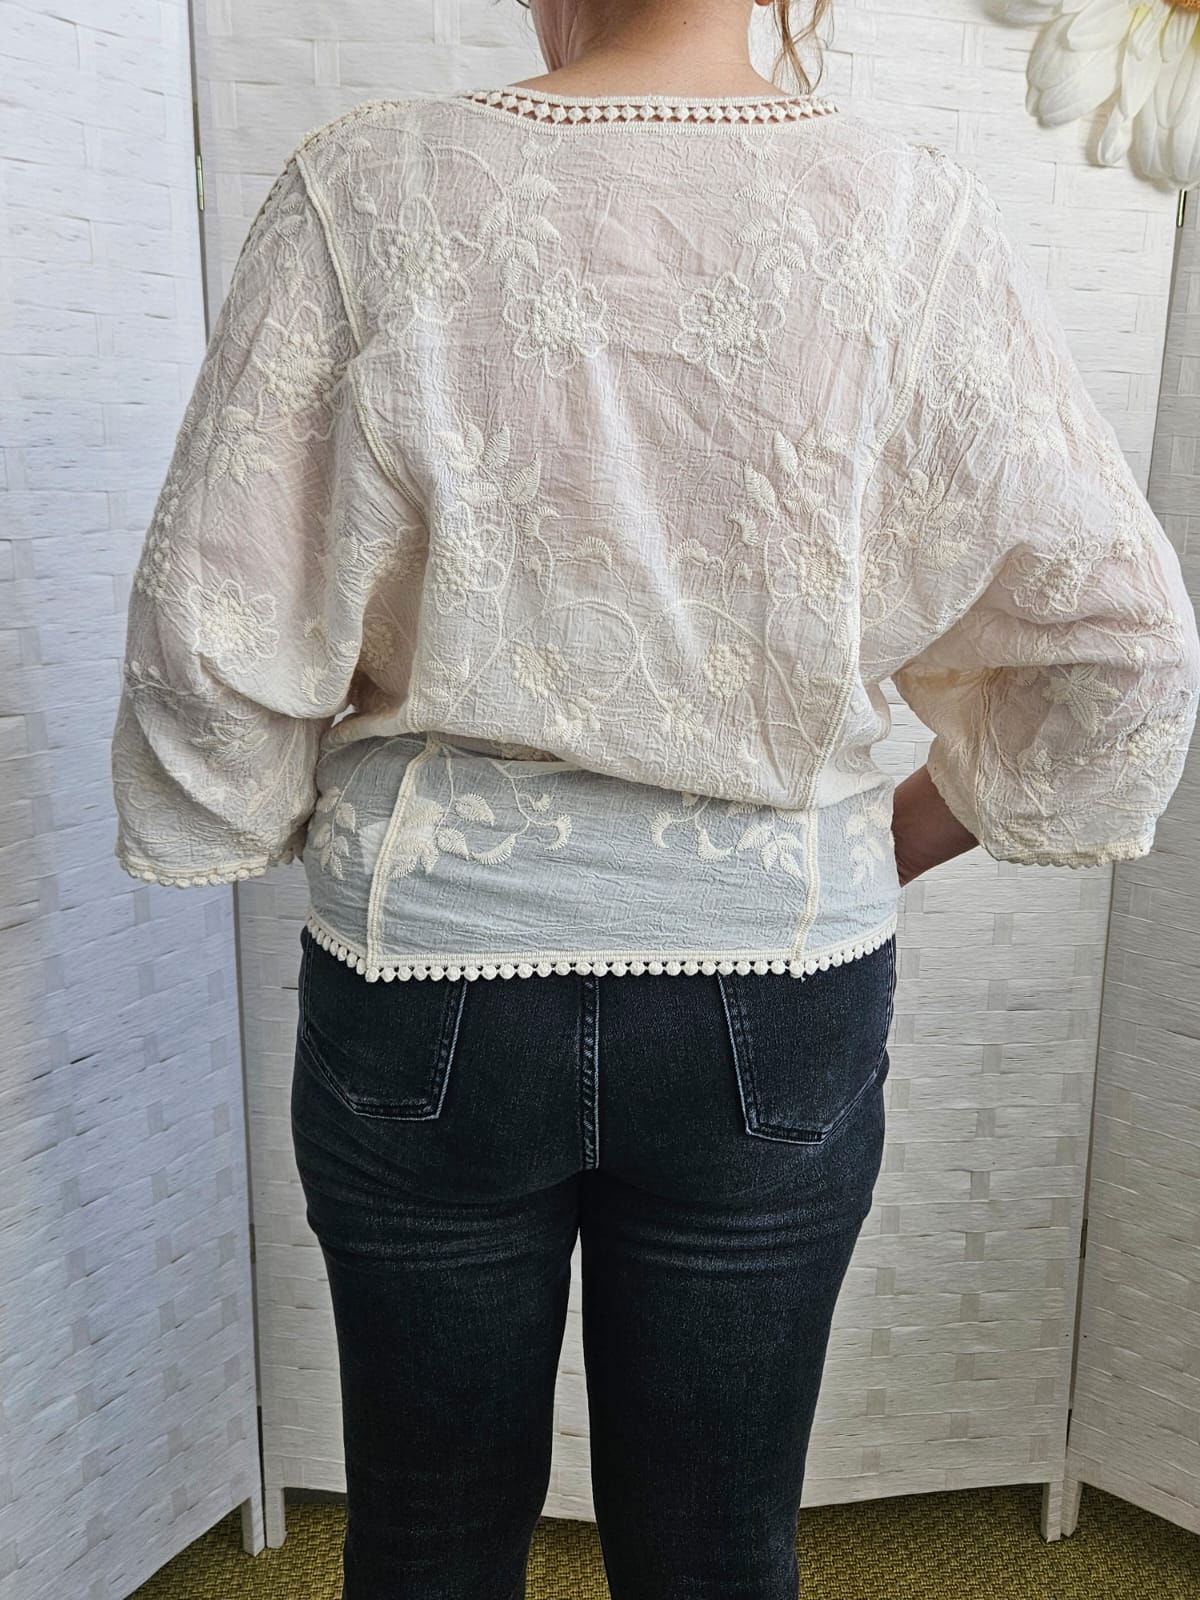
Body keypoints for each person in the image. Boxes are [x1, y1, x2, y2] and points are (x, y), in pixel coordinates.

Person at [108, 1, 1200, 1594]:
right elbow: (1121, 643)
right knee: (718, 1546)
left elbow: (205, 635)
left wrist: (286, 810)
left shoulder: (364, 187)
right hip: (776, 981)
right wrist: (878, 843)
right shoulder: (909, 214)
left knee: (424, 1539)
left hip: (430, 975)